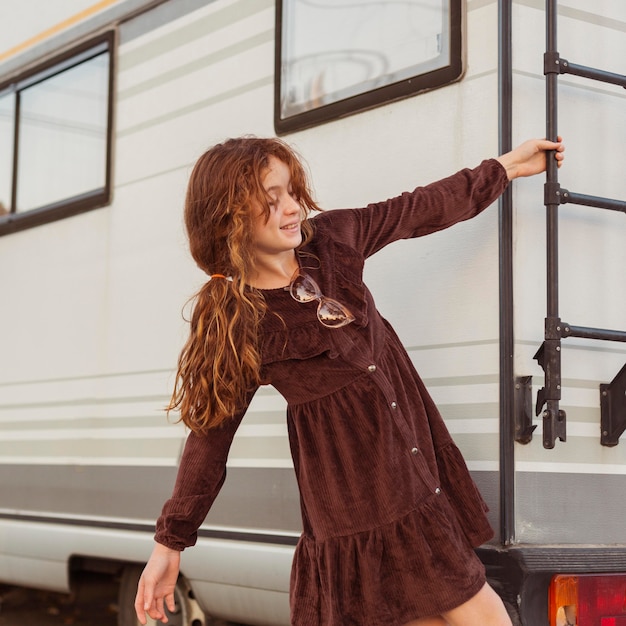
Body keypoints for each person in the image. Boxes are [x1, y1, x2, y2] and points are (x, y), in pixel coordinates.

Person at [135, 136, 565, 626]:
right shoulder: (238, 319)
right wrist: (170, 542)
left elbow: (417, 209)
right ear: (229, 216)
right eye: (271, 201)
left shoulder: (334, 240)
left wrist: (505, 168)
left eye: (291, 192)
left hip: (415, 477)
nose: (293, 208)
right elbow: (209, 440)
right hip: (355, 509)